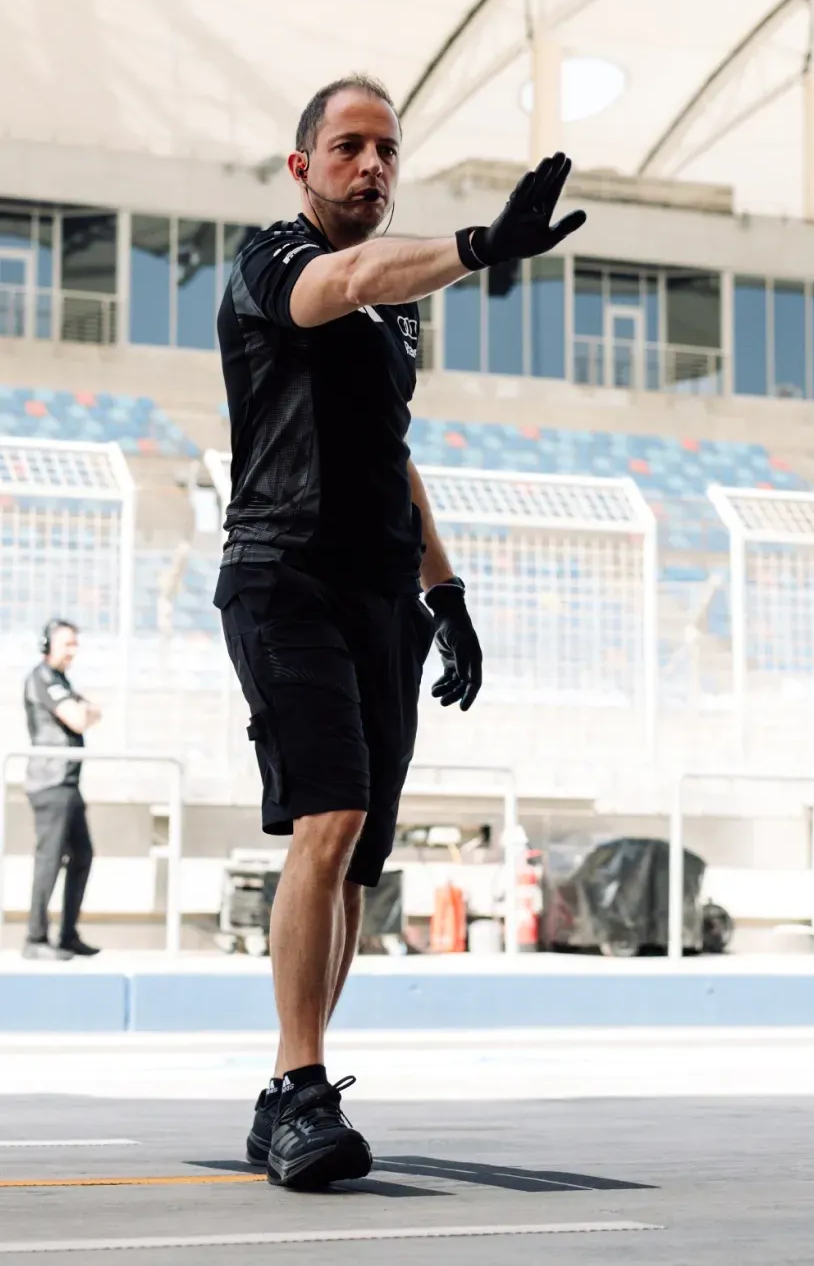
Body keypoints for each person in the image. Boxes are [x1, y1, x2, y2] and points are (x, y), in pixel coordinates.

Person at [215, 71, 586, 1191]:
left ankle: (298, 1084)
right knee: (325, 818)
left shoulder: (400, 312)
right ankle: (296, 1088)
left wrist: (448, 591)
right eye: (348, 149)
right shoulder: (277, 262)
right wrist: (481, 243)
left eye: (387, 150)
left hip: (383, 594)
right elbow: (356, 272)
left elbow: (396, 453)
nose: (371, 167)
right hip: (286, 576)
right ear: (302, 166)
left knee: (360, 863)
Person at [22, 619, 102, 961]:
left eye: (75, 644)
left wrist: (86, 710)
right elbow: (81, 717)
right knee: (49, 861)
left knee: (82, 856)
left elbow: (93, 711)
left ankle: (67, 936)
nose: (72, 651)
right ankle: (35, 938)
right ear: (48, 645)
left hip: (69, 784)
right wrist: (85, 710)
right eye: (67, 644)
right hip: (51, 783)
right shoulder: (42, 678)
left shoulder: (61, 681)